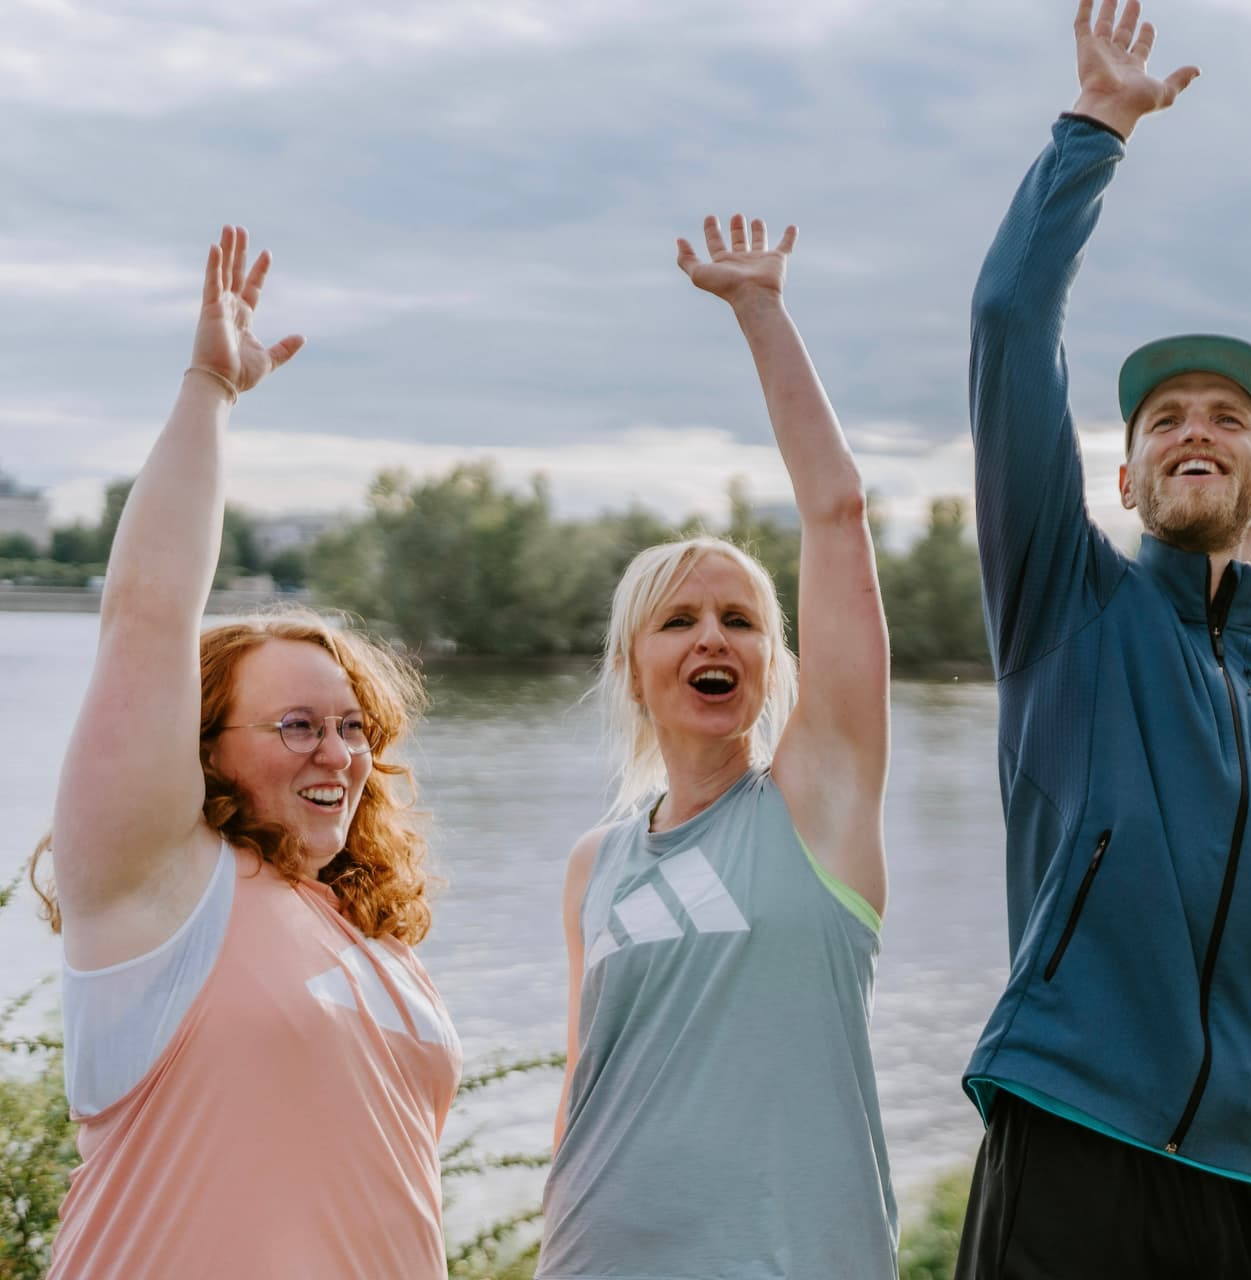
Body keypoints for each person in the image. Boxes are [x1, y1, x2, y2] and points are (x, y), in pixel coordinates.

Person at [957, 3, 1251, 1275]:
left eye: (1225, 415)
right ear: (1127, 474)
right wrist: (1093, 128)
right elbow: (1005, 327)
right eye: (1162, 419)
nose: (1193, 429)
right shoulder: (1063, 606)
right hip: (1069, 1136)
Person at [30, 227, 461, 1279]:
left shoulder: (367, 935)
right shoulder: (163, 894)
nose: (340, 752)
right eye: (299, 724)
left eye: (353, 724)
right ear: (204, 751)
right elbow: (145, 614)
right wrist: (209, 391)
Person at [536, 214, 896, 1279]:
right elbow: (582, 1078)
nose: (711, 636)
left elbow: (837, 515)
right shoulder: (593, 864)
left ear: (772, 663)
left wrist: (761, 312)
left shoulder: (816, 808)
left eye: (739, 619)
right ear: (631, 665)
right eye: (679, 619)